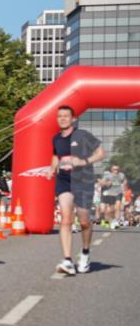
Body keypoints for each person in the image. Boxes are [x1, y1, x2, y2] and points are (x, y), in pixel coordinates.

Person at [45, 105, 105, 275]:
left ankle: (85, 253)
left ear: (73, 119)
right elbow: (56, 156)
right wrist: (51, 169)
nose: (62, 119)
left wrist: (83, 161)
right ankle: (67, 260)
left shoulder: (83, 135)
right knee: (66, 219)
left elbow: (101, 153)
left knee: (84, 221)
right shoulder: (56, 138)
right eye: (59, 116)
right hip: (64, 181)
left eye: (66, 116)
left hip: (83, 181)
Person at [99, 164, 127, 228]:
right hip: (109, 194)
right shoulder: (107, 175)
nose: (116, 171)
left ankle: (116, 221)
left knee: (117, 207)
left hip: (118, 193)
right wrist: (107, 183)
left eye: (117, 169)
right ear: (111, 170)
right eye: (114, 169)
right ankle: (108, 221)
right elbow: (102, 183)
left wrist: (124, 184)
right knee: (109, 210)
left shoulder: (121, 175)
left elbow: (124, 180)